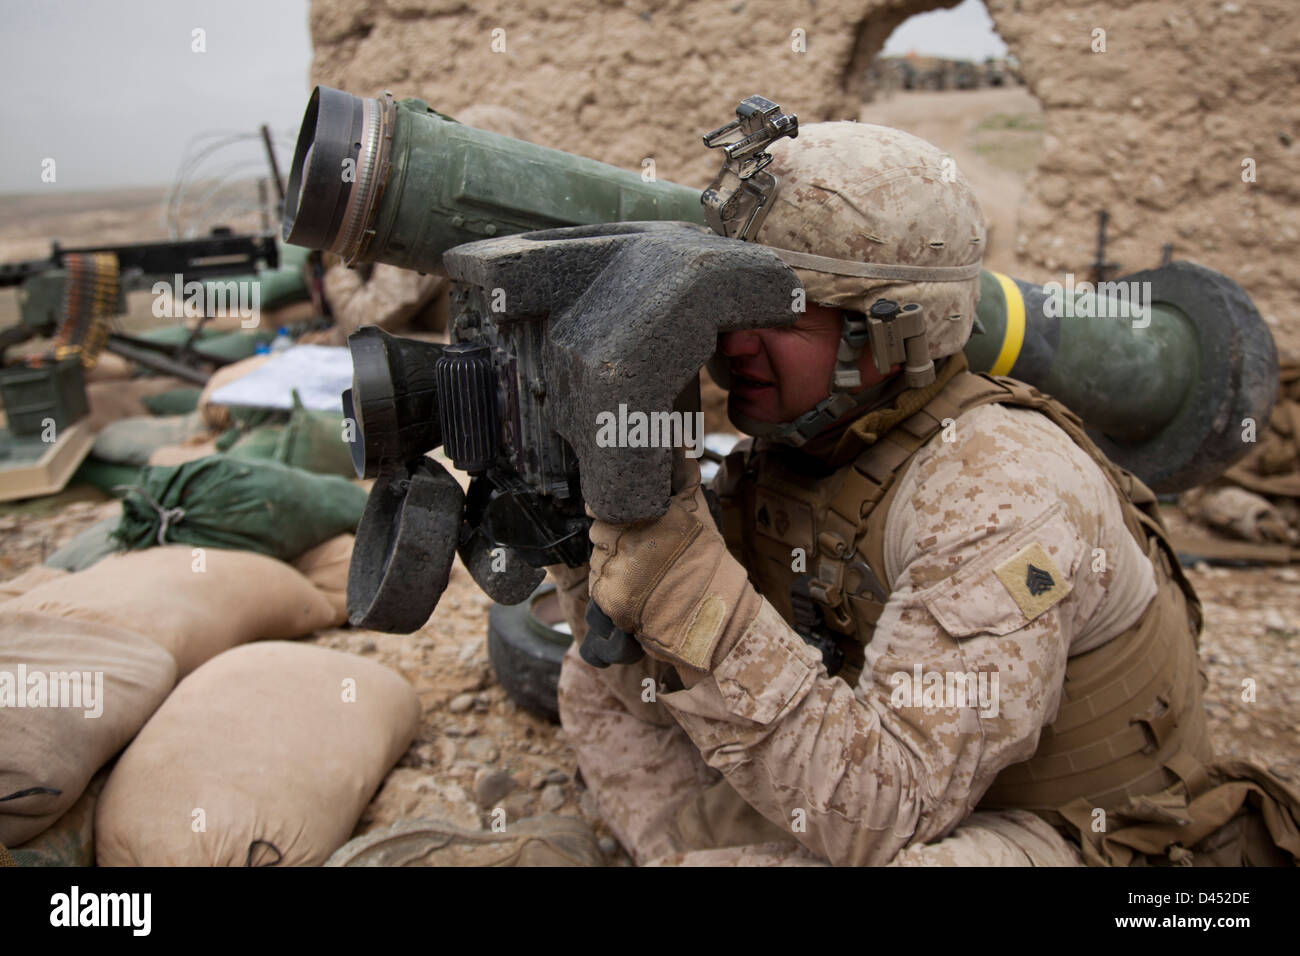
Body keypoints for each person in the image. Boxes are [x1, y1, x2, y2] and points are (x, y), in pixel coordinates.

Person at [548, 121, 1300, 867]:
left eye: (772, 313)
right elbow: (678, 665)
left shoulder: (997, 489)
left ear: (890, 333)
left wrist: (683, 586)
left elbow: (887, 811)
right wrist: (580, 537)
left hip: (1065, 829)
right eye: (722, 302)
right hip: (897, 769)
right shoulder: (810, 436)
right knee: (597, 678)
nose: (730, 341)